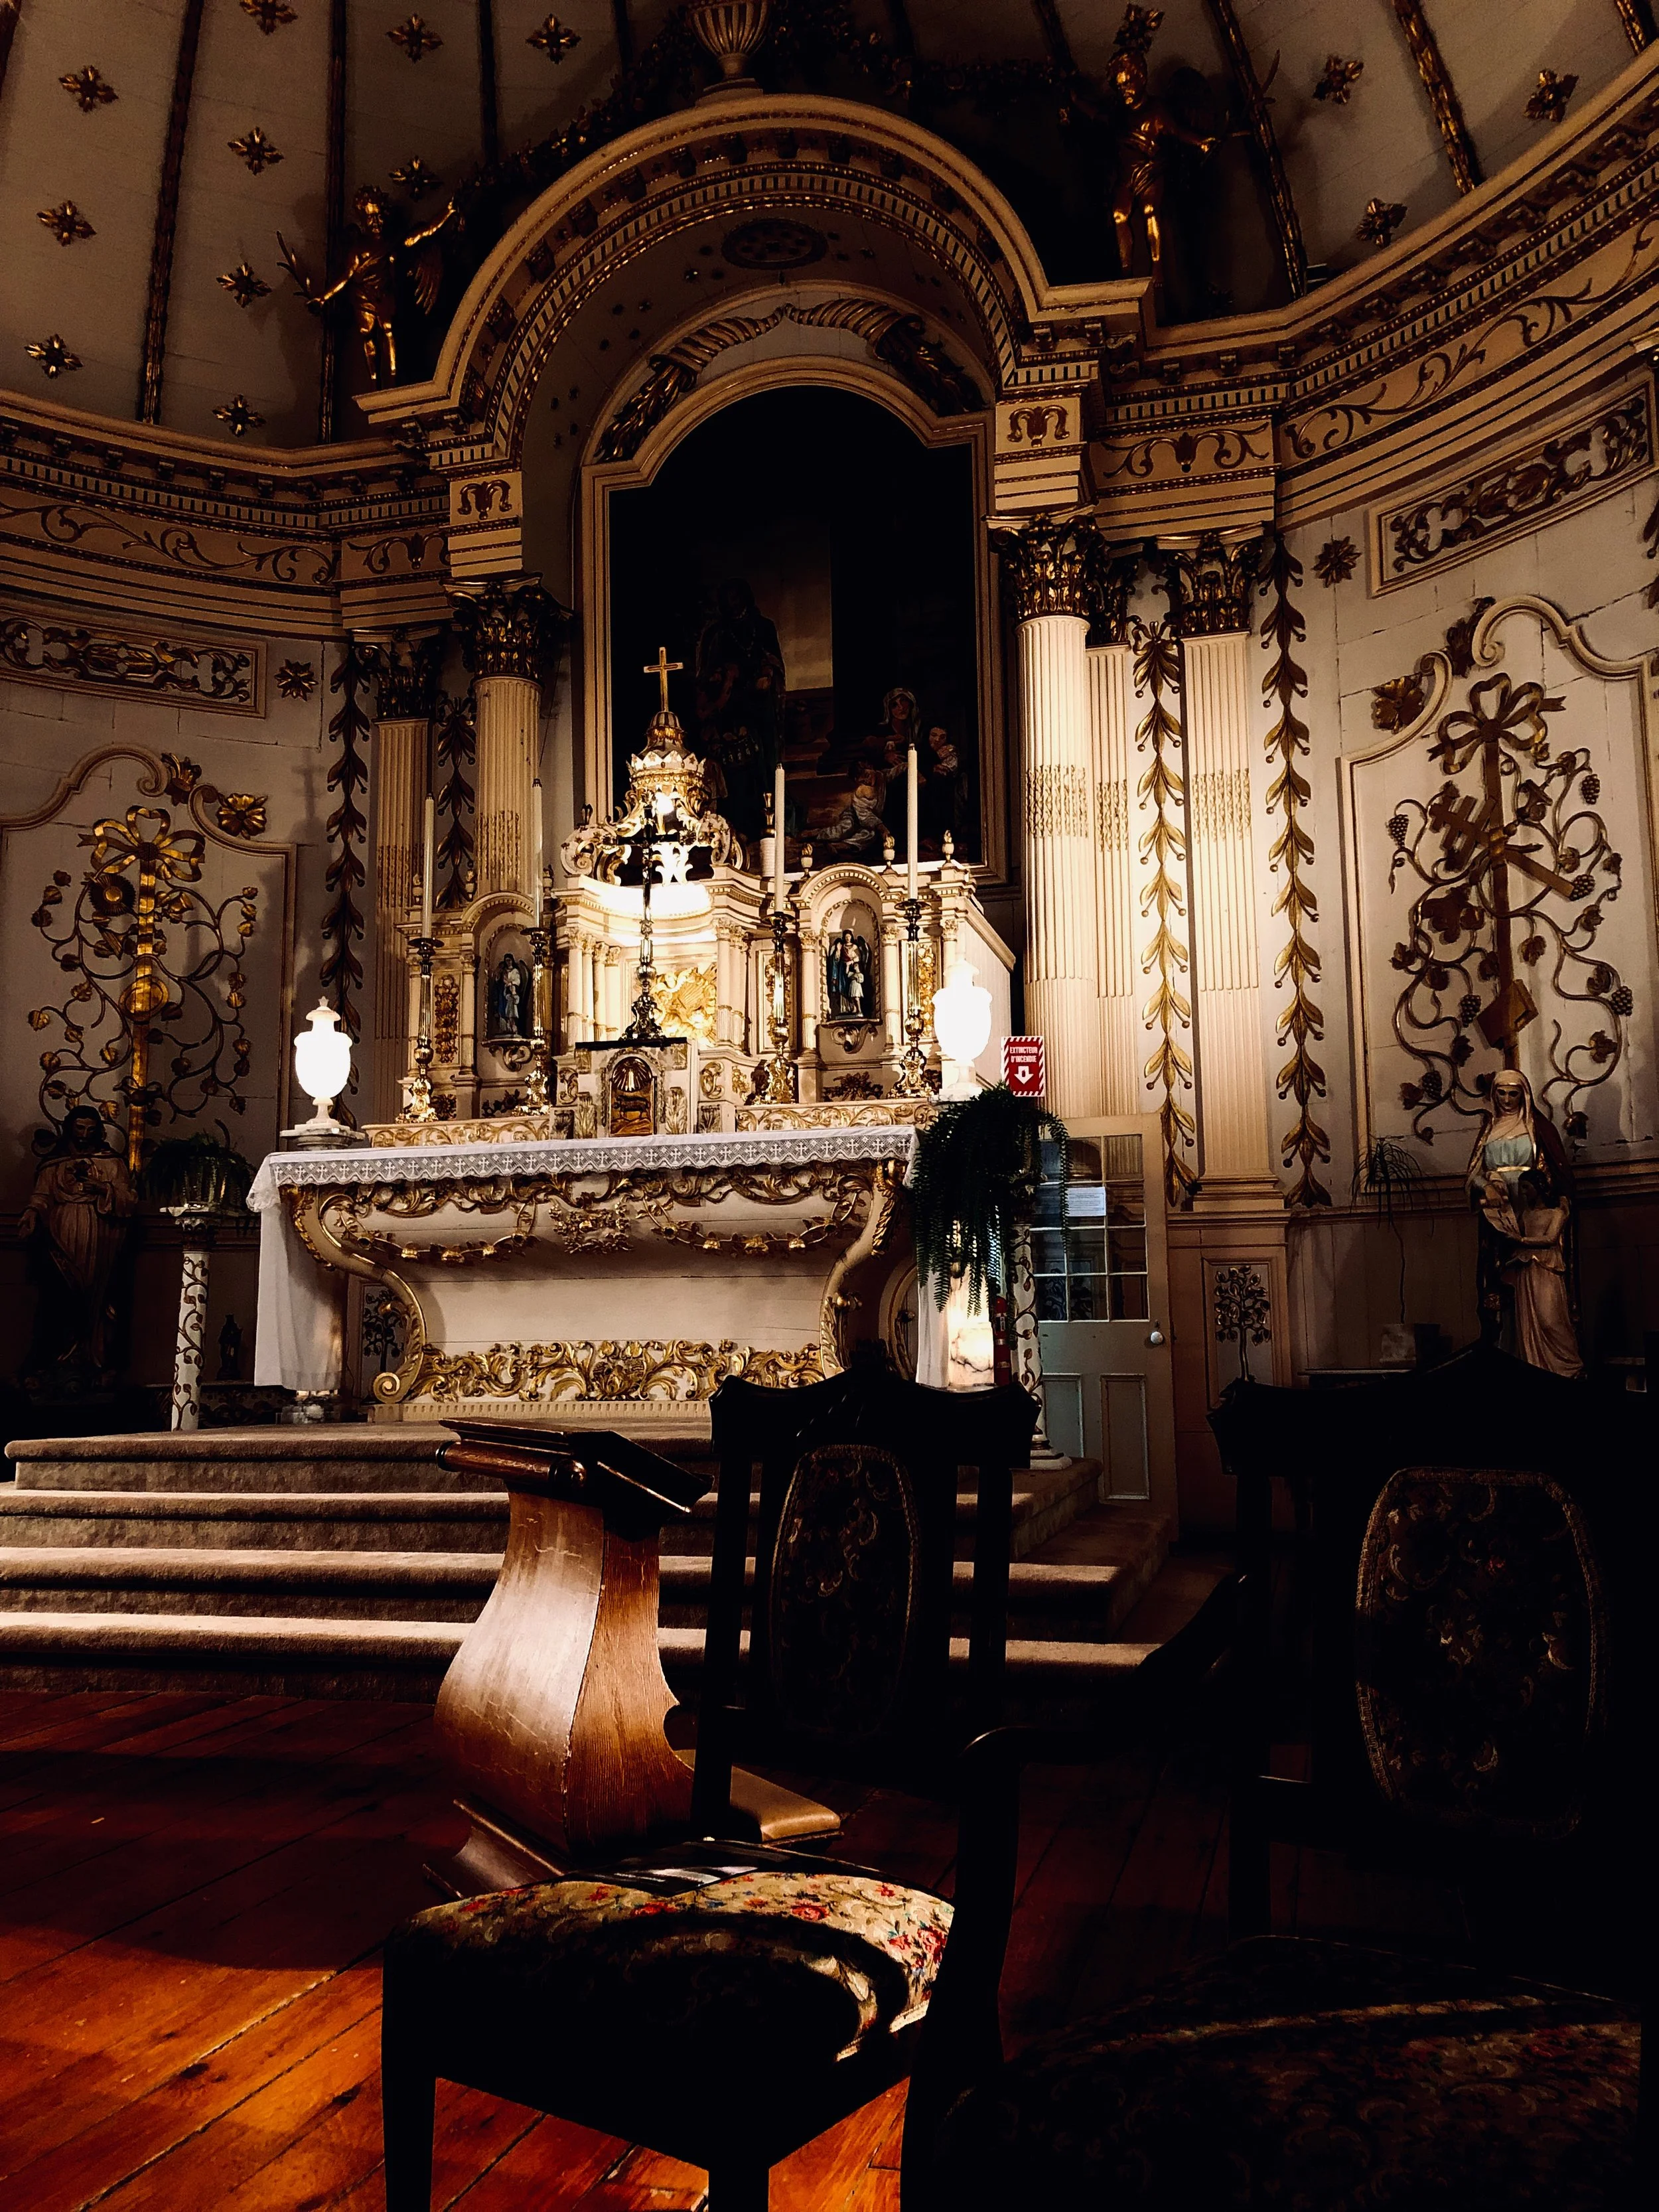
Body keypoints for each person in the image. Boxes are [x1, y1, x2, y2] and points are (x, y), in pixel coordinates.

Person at [1465, 1068, 1583, 1377]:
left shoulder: (1537, 1127)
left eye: (1513, 1093)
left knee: (1544, 1298)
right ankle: (1509, 1354)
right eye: (1500, 1093)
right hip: (1498, 1212)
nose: (1506, 1100)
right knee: (1501, 1283)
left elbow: (1555, 1174)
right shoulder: (1489, 1128)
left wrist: (1554, 1201)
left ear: (1524, 1095)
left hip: (1532, 1209)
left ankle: (1550, 1363)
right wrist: (1486, 1185)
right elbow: (1473, 1174)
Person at [18, 1106, 136, 1375]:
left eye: (91, 1130)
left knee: (96, 1295)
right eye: (79, 1128)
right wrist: (32, 1212)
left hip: (100, 1238)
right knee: (59, 1295)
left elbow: (128, 1199)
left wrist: (104, 1189)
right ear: (70, 1128)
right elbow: (42, 1196)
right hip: (61, 1235)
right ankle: (59, 1356)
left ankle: (92, 1356)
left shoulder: (111, 1162)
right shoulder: (54, 1163)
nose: (84, 1135)